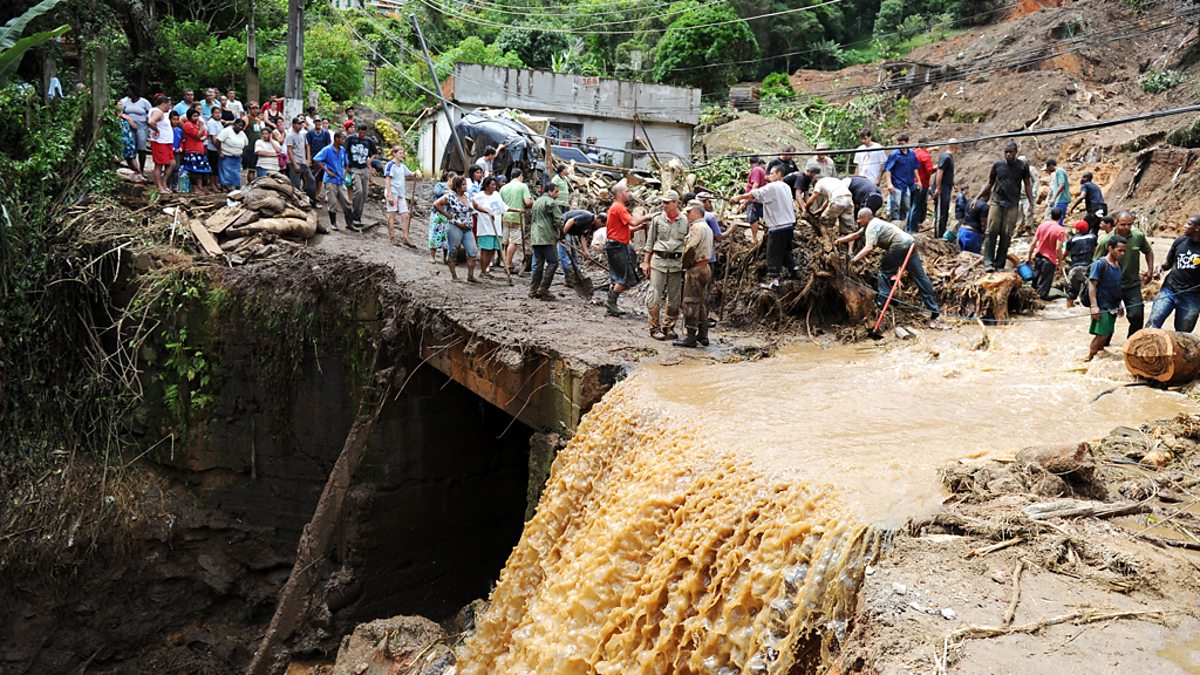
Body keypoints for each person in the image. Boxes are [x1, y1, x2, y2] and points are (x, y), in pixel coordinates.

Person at [836, 208, 940, 322]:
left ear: (866, 218)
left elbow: (869, 248)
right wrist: (839, 241)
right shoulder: (875, 223)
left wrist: (854, 260)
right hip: (910, 243)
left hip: (899, 245)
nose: (858, 221)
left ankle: (882, 303)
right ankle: (933, 308)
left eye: (859, 218)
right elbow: (856, 235)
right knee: (920, 277)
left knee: (884, 272)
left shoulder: (871, 227)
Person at [731, 165, 797, 289]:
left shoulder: (773, 186)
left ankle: (774, 282)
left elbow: (756, 193)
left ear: (779, 174)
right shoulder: (786, 187)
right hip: (789, 225)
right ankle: (794, 270)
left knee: (773, 253)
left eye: (772, 173)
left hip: (778, 227)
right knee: (785, 251)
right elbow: (765, 199)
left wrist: (739, 197)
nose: (768, 176)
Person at [1093, 210, 1154, 336]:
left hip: (1131, 284)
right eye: (1123, 224)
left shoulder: (1138, 236)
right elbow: (1095, 264)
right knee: (1107, 322)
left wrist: (1150, 270)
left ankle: (1131, 345)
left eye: (1129, 224)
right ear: (1116, 223)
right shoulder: (1106, 241)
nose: (1126, 228)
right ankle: (1103, 350)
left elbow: (1148, 251)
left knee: (1137, 316)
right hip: (1110, 287)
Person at [977, 140, 1034, 271]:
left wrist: (1031, 203)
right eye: (1006, 152)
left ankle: (999, 263)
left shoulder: (1022, 166)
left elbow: (1027, 184)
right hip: (996, 202)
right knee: (991, 232)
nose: (1008, 154)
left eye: (1010, 152)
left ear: (1016, 152)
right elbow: (990, 183)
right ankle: (988, 262)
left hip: (1012, 204)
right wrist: (977, 197)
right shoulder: (997, 165)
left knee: (1006, 234)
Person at [641, 191, 689, 339]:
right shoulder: (657, 220)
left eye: (667, 202)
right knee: (654, 295)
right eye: (663, 202)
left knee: (674, 298)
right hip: (659, 261)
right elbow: (650, 242)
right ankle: (654, 327)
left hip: (676, 262)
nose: (664, 205)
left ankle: (669, 326)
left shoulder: (685, 220)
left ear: (676, 203)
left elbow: (688, 243)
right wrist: (645, 262)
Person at [605, 184, 652, 316]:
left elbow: (627, 228)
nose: (629, 194)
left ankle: (611, 303)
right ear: (619, 194)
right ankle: (611, 302)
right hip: (618, 246)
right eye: (626, 191)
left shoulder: (616, 207)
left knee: (618, 276)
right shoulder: (619, 208)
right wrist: (647, 217)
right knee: (623, 278)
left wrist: (640, 228)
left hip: (615, 245)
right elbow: (633, 222)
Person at [675, 200, 716, 348]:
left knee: (690, 302)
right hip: (705, 267)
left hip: (695, 269)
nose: (686, 215)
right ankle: (703, 334)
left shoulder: (696, 228)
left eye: (689, 212)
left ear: (697, 213)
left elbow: (690, 248)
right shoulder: (707, 228)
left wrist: (683, 265)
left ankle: (691, 336)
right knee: (701, 301)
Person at [1150, 215, 1200, 332]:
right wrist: (1160, 267)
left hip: (1192, 296)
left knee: (1183, 333)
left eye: (1188, 224)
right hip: (1169, 290)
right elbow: (1168, 262)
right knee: (1153, 322)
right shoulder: (1180, 241)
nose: (1184, 226)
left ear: (1197, 228)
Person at [433, 176, 482, 283]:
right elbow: (436, 204)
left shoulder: (468, 196)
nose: (465, 186)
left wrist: (484, 213)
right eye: (463, 184)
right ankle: (454, 276)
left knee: (472, 251)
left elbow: (475, 207)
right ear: (458, 186)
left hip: (467, 227)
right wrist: (447, 215)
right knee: (453, 250)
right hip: (454, 225)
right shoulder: (450, 196)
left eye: (466, 184)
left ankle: (470, 275)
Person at [1087, 235, 1127, 360]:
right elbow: (1092, 285)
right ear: (1110, 248)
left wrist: (1120, 304)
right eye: (1119, 250)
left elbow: (1116, 286)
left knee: (1107, 333)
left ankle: (1099, 358)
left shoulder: (1117, 265)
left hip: (1113, 306)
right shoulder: (1100, 264)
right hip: (1102, 306)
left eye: (1124, 250)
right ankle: (1089, 358)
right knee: (1101, 335)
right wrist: (1094, 306)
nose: (1123, 253)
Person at [312, 130, 352, 231]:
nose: (343, 140)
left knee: (346, 202)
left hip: (340, 179)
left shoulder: (342, 150)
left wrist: (344, 172)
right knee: (332, 202)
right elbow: (316, 159)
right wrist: (327, 170)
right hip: (330, 179)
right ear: (336, 139)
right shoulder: (327, 149)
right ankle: (333, 223)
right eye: (342, 138)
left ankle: (349, 224)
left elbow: (347, 163)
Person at [528, 183, 563, 299]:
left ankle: (533, 290)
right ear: (551, 191)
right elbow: (558, 221)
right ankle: (543, 289)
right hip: (547, 237)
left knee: (537, 264)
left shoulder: (536, 202)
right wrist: (561, 232)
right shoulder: (551, 203)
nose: (557, 194)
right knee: (553, 262)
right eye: (556, 192)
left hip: (535, 237)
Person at [1027, 207, 1067, 299]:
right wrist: (1060, 264)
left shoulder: (1042, 226)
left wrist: (1029, 257)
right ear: (1061, 217)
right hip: (1049, 260)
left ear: (1051, 215)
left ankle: (1031, 300)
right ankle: (1039, 302)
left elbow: (1033, 243)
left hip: (1038, 257)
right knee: (1043, 292)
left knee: (1034, 284)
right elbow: (1058, 248)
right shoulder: (1060, 230)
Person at [384, 146, 421, 247]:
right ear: (394, 154)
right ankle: (392, 237)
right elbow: (387, 179)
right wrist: (389, 194)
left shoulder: (402, 166)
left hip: (401, 193)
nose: (402, 155)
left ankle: (405, 237)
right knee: (392, 214)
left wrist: (416, 172)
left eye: (402, 153)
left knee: (405, 215)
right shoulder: (390, 165)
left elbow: (410, 174)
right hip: (393, 192)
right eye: (400, 153)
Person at [344, 123, 378, 231]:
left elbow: (375, 153)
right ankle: (353, 215)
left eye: (364, 133)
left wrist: (370, 160)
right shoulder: (350, 139)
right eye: (361, 132)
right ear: (357, 131)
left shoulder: (369, 141)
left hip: (364, 169)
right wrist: (345, 166)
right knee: (358, 191)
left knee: (364, 194)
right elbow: (344, 152)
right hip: (354, 168)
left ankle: (358, 216)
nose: (362, 134)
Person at [473, 176, 508, 279]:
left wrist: (517, 210)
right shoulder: (479, 196)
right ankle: (483, 271)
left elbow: (503, 207)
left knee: (492, 250)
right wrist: (485, 213)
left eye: (495, 184)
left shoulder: (497, 195)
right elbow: (474, 207)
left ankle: (486, 270)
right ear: (487, 186)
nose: (494, 186)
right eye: (492, 185)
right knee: (485, 250)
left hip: (496, 227)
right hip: (485, 227)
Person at [500, 169, 534, 274]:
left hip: (505, 216)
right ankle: (508, 264)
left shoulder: (503, 188)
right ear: (521, 176)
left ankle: (505, 262)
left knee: (505, 241)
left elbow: (500, 203)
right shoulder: (522, 186)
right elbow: (528, 202)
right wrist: (532, 202)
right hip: (517, 216)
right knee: (514, 241)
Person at [804, 170, 855, 238]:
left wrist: (806, 208)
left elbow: (813, 198)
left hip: (838, 200)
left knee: (823, 223)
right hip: (849, 200)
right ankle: (849, 248)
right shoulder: (834, 180)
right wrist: (818, 211)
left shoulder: (819, 182)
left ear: (815, 182)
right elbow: (828, 201)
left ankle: (827, 242)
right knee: (849, 228)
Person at [882, 133, 919, 225]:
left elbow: (915, 168)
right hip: (897, 184)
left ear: (907, 143)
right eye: (899, 144)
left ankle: (903, 223)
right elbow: (888, 170)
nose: (901, 146)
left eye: (902, 144)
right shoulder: (894, 154)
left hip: (907, 184)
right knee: (895, 205)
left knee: (906, 205)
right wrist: (889, 183)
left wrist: (918, 180)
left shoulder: (912, 154)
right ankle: (895, 223)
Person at [117, 85, 152, 180]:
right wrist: (127, 118)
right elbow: (119, 110)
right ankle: (134, 169)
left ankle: (142, 169)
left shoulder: (144, 102)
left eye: (130, 91)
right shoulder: (125, 101)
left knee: (142, 148)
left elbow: (150, 113)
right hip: (128, 127)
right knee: (130, 148)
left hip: (141, 127)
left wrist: (149, 126)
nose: (128, 93)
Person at [558, 209, 598, 287]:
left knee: (574, 256)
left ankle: (576, 277)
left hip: (569, 232)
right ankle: (569, 279)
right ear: (599, 220)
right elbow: (570, 221)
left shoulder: (592, 225)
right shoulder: (588, 216)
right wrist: (562, 236)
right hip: (563, 227)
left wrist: (586, 252)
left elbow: (582, 236)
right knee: (566, 255)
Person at [907, 137, 937, 233]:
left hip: (912, 183)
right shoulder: (925, 156)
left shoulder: (913, 152)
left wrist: (932, 149)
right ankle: (913, 229)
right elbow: (930, 170)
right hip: (922, 184)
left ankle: (908, 227)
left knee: (911, 206)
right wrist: (938, 166)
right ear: (926, 144)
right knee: (916, 207)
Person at [146, 95, 175, 193]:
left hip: (166, 142)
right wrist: (156, 130)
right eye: (169, 105)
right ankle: (159, 186)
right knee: (159, 165)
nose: (169, 107)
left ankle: (164, 183)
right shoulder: (157, 112)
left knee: (172, 163)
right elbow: (151, 122)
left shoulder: (161, 112)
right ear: (164, 104)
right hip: (160, 142)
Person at [1064, 220, 1096, 308]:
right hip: (1088, 268)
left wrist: (1062, 259)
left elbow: (1066, 253)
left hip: (1075, 268)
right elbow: (1095, 251)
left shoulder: (1072, 240)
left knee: (1072, 292)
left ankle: (1069, 308)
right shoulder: (1092, 237)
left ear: (1077, 230)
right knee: (1091, 292)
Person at [180, 108, 212, 193]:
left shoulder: (197, 125)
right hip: (192, 151)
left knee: (204, 171)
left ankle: (203, 187)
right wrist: (201, 128)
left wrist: (201, 134)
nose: (197, 118)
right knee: (194, 171)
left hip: (201, 150)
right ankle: (195, 188)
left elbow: (205, 134)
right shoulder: (187, 125)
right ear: (189, 117)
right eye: (194, 116)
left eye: (197, 116)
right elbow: (198, 135)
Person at [931, 139, 958, 239]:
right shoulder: (946, 157)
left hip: (946, 188)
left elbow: (947, 173)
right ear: (954, 146)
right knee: (940, 212)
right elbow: (940, 172)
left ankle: (941, 234)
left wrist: (953, 184)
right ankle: (937, 235)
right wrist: (938, 188)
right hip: (942, 189)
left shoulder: (950, 157)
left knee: (945, 211)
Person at [428, 171, 455, 262]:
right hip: (438, 214)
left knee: (447, 236)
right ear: (450, 178)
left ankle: (445, 257)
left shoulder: (455, 189)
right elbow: (437, 192)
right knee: (435, 234)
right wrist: (449, 191)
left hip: (448, 215)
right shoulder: (440, 185)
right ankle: (432, 256)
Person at [284, 116, 314, 200]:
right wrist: (294, 163)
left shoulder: (302, 135)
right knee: (296, 184)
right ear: (293, 125)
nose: (300, 126)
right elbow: (289, 150)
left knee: (311, 181)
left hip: (303, 161)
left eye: (301, 124)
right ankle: (296, 203)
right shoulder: (290, 135)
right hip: (295, 162)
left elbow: (306, 146)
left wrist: (308, 159)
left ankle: (311, 200)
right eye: (298, 124)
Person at [214, 118, 248, 189]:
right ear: (234, 124)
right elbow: (218, 141)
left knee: (236, 173)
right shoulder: (227, 131)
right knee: (226, 173)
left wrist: (242, 154)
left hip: (237, 156)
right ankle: (226, 187)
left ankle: (236, 186)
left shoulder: (242, 134)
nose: (240, 127)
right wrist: (219, 152)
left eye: (242, 126)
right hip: (226, 155)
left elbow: (246, 144)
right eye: (239, 125)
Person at [307, 117, 332, 202]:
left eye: (319, 122)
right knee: (315, 176)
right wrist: (309, 158)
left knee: (322, 176)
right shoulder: (310, 133)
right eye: (316, 122)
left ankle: (319, 192)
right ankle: (315, 194)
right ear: (314, 123)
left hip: (324, 158)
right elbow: (308, 146)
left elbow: (329, 146)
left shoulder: (326, 133)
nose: (318, 123)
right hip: (315, 157)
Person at [242, 102, 264, 185]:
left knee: (256, 167)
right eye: (253, 108)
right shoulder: (246, 119)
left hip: (259, 147)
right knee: (251, 169)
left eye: (256, 108)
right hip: (250, 147)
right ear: (249, 109)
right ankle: (251, 185)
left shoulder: (258, 120)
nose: (255, 110)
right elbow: (241, 130)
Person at [204, 105, 225, 187]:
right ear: (212, 114)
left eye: (219, 113)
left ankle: (216, 183)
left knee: (217, 167)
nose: (218, 114)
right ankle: (213, 184)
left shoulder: (219, 122)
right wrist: (219, 150)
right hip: (213, 148)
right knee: (214, 167)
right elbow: (213, 138)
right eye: (216, 113)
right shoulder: (211, 122)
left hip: (219, 147)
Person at [1017, 155, 1040, 226]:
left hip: (1028, 195)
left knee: (1028, 213)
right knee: (1019, 214)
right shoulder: (1017, 170)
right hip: (1020, 195)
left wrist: (1034, 190)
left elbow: (1036, 180)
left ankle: (1028, 228)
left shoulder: (1031, 169)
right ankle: (1019, 229)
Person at [745, 156, 768, 227]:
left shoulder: (756, 170)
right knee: (762, 216)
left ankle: (754, 238)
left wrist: (749, 196)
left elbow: (756, 184)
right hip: (760, 198)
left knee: (753, 219)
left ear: (749, 162)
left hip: (754, 199)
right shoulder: (761, 169)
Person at [1046, 159, 1070, 225]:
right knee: (1058, 220)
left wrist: (1054, 197)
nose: (1048, 170)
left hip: (1061, 199)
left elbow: (1061, 185)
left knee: (1057, 221)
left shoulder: (1059, 171)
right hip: (1060, 199)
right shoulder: (1059, 171)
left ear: (1050, 166)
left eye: (1048, 168)